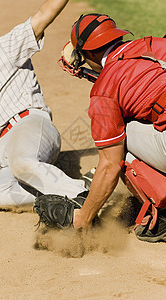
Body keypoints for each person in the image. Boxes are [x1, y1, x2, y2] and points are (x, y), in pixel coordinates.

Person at [0, 0, 88, 208]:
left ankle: (86, 194)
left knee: (22, 163)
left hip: (30, 125)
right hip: (6, 147)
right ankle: (60, 204)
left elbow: (43, 15)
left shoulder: (4, 50)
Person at [66, 14, 166, 232]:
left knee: (117, 140)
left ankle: (162, 215)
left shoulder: (104, 91)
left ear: (89, 52)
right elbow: (139, 80)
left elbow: (110, 166)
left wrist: (84, 217)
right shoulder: (152, 43)